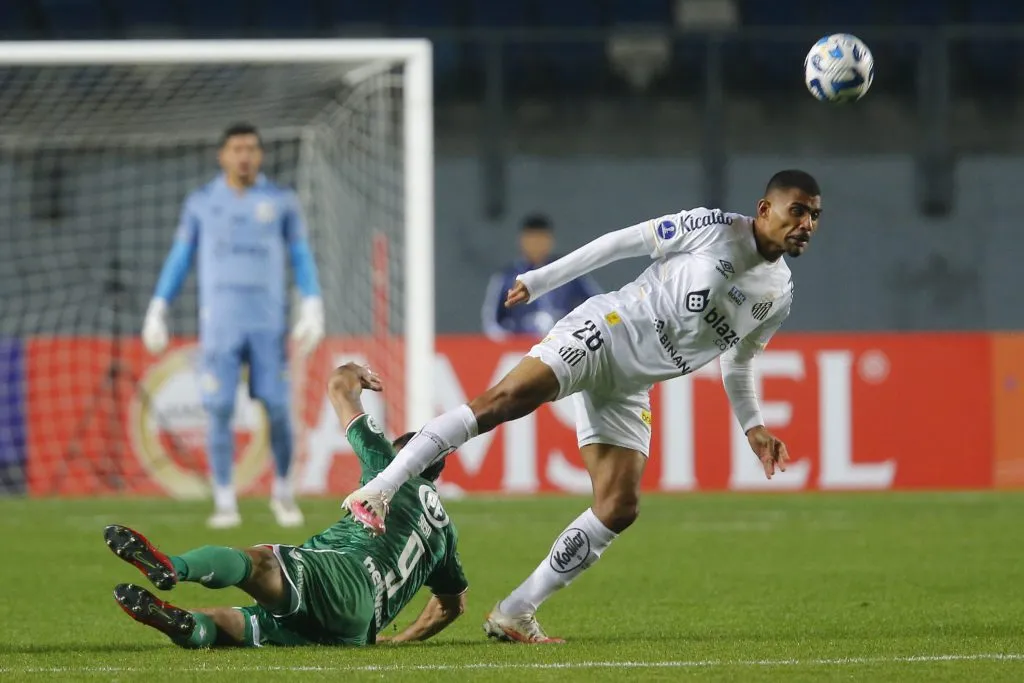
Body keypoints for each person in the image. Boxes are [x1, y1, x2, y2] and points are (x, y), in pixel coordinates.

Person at [343, 170, 822, 643]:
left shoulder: (779, 294)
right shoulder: (714, 227)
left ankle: (515, 612)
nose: (806, 224)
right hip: (605, 332)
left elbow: (738, 361)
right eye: (797, 211)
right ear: (765, 208)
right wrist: (542, 280)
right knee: (500, 403)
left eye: (814, 216)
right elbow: (620, 242)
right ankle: (379, 490)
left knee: (619, 506)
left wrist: (754, 426)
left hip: (631, 385)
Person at [104, 363, 468, 648]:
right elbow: (451, 606)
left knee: (259, 563)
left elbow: (339, 387)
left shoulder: (388, 467)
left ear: (405, 457)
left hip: (343, 578)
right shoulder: (445, 534)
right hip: (356, 627)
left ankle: (173, 566)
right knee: (235, 624)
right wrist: (402, 639)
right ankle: (186, 625)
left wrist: (353, 370)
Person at [141, 122, 325, 529]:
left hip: (268, 325)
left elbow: (300, 255)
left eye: (251, 148)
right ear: (222, 155)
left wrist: (313, 304)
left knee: (278, 408)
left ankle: (283, 492)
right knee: (219, 408)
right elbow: (180, 256)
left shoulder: (281, 201)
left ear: (260, 155)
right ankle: (225, 501)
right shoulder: (202, 203)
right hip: (220, 326)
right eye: (237, 149)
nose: (244, 156)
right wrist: (158, 306)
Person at [481, 213, 601, 340]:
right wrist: (509, 342)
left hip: (563, 342)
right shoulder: (507, 277)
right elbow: (492, 322)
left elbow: (597, 303)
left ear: (551, 240)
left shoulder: (567, 270)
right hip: (521, 344)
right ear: (522, 241)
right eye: (532, 239)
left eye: (541, 238)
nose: (536, 245)